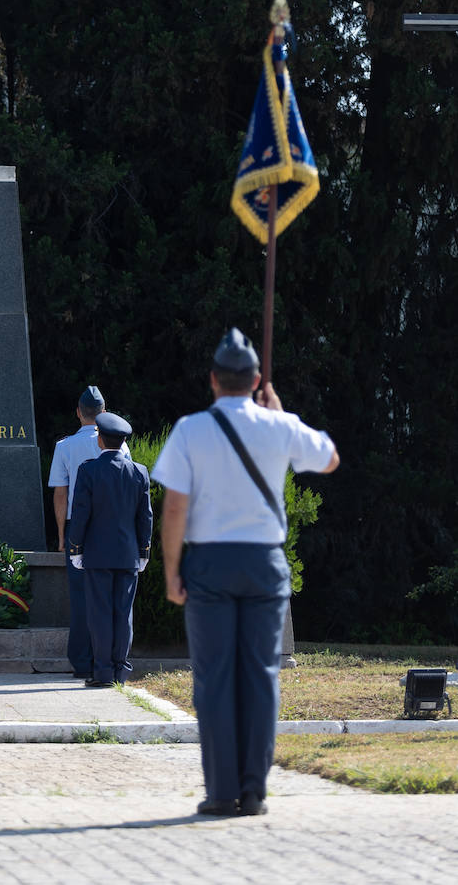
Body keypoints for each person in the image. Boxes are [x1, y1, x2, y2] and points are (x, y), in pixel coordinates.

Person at [152, 327, 339, 818]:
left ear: (213, 380)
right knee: (261, 675)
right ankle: (254, 791)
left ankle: (219, 793)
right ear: (257, 380)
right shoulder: (279, 426)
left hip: (210, 563)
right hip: (264, 563)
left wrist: (173, 572)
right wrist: (279, 416)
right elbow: (330, 457)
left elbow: (174, 508)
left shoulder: (191, 429)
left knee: (213, 677)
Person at [48, 385, 131, 678]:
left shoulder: (64, 446)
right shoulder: (120, 446)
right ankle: (108, 661)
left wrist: (61, 537)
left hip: (77, 528)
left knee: (82, 598)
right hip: (113, 529)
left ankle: (83, 662)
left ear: (78, 413)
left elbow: (61, 494)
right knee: (113, 601)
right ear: (104, 412)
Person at [68, 412, 153, 688]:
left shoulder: (88, 470)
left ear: (100, 441)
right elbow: (145, 517)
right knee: (123, 613)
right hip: (128, 554)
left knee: (100, 614)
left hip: (97, 554)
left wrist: (75, 548)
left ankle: (103, 672)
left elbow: (81, 513)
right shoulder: (139, 471)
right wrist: (144, 551)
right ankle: (121, 671)